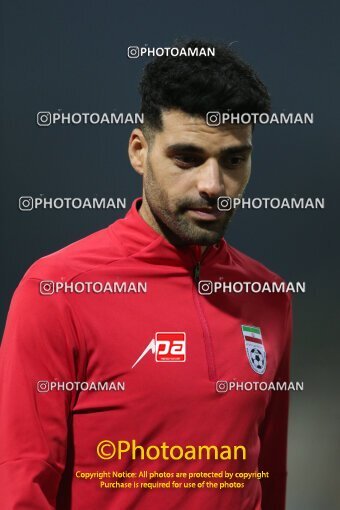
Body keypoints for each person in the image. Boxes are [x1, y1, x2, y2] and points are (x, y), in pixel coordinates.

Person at [0, 40, 292, 510]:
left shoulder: (269, 296)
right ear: (139, 150)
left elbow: (269, 478)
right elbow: (21, 486)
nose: (213, 185)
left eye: (233, 160)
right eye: (187, 158)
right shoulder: (57, 290)